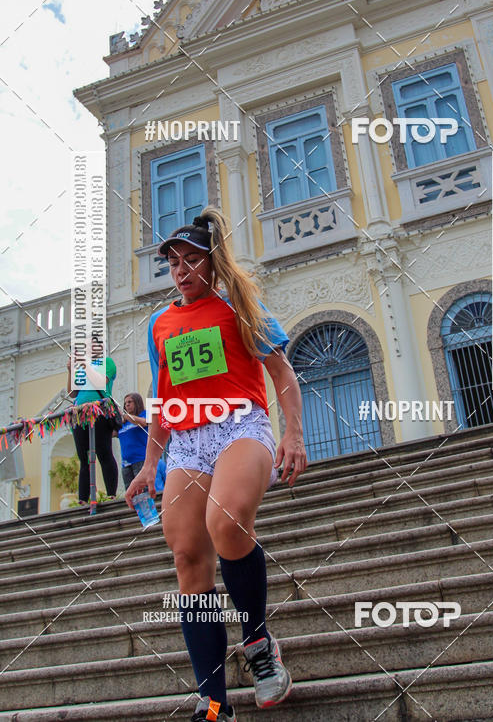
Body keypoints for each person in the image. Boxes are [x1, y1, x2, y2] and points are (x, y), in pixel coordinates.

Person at [125, 207, 307, 722]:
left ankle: (258, 646)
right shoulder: (160, 324)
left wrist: (293, 433)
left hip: (240, 427)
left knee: (225, 522)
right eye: (173, 262)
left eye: (191, 260)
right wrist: (148, 467)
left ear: (212, 262)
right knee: (187, 558)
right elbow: (164, 400)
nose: (181, 270)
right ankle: (214, 703)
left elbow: (283, 373)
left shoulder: (239, 305)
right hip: (186, 441)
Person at [66, 348, 119, 504]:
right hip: (80, 413)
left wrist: (84, 363)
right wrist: (70, 371)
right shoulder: (81, 369)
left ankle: (111, 495)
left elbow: (101, 382)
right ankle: (83, 498)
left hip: (99, 410)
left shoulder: (106, 362)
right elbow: (72, 393)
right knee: (84, 458)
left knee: (104, 452)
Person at [118, 391, 166, 492]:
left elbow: (144, 423)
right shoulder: (123, 423)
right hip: (126, 464)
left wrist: (124, 415)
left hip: (141, 460)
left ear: (137, 402)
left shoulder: (145, 414)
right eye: (125, 403)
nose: (127, 404)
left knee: (144, 493)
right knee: (132, 495)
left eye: (130, 402)